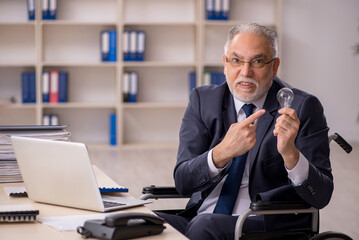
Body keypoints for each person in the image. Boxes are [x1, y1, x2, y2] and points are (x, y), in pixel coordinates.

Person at [156, 23, 333, 240]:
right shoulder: (203, 101)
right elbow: (183, 182)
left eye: (257, 61)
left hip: (265, 225)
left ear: (274, 66)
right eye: (236, 60)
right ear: (225, 64)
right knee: (136, 222)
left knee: (204, 226)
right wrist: (221, 153)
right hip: (200, 220)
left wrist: (291, 155)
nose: (245, 72)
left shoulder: (302, 107)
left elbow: (321, 196)